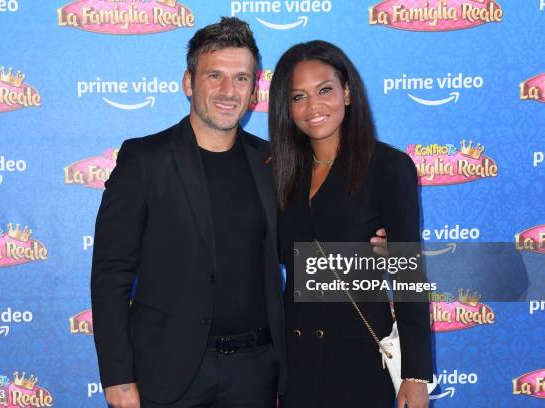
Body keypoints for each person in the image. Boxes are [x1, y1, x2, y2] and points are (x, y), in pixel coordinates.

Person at [91, 17, 285, 407]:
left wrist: (371, 246)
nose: (228, 91)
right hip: (168, 372)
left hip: (255, 371)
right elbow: (111, 272)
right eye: (215, 76)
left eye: (241, 78)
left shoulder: (272, 162)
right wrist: (117, 376)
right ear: (188, 83)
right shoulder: (145, 159)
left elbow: (300, 246)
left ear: (253, 91)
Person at [268, 40, 434, 408]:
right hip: (295, 363)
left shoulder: (388, 167)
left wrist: (416, 373)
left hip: (358, 358)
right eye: (298, 97)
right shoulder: (279, 172)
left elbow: (408, 274)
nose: (313, 106)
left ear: (346, 92)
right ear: (287, 107)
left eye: (324, 90)